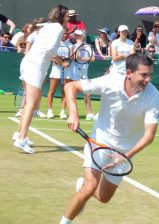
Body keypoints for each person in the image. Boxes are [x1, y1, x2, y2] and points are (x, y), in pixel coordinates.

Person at [58, 53, 159, 224]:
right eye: (143, 75)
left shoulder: (153, 95)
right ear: (129, 73)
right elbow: (71, 87)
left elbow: (149, 135)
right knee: (89, 187)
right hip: (100, 142)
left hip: (125, 151)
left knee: (104, 197)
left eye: (150, 74)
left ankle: (82, 186)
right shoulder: (110, 81)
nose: (148, 79)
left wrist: (125, 156)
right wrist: (73, 113)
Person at [12, 4, 69, 154]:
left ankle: (19, 133)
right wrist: (61, 61)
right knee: (31, 104)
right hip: (35, 66)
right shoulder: (57, 28)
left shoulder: (48, 26)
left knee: (29, 103)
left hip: (29, 63)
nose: (69, 18)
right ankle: (21, 139)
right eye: (67, 15)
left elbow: (42, 42)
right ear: (61, 16)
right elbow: (50, 49)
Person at [46, 27, 73, 119]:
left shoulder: (70, 45)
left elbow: (71, 58)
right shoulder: (54, 44)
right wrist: (57, 61)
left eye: (66, 34)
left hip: (66, 71)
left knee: (65, 92)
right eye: (63, 33)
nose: (64, 35)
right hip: (56, 70)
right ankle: (50, 111)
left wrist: (68, 62)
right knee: (51, 91)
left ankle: (62, 112)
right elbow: (49, 57)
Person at [70, 29, 96, 120]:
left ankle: (89, 114)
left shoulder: (88, 46)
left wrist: (82, 58)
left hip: (84, 73)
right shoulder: (73, 46)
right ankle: (73, 113)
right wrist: (78, 46)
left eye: (79, 35)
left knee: (87, 94)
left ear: (83, 36)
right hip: (74, 73)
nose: (77, 37)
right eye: (76, 35)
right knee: (72, 94)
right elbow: (75, 57)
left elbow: (93, 59)